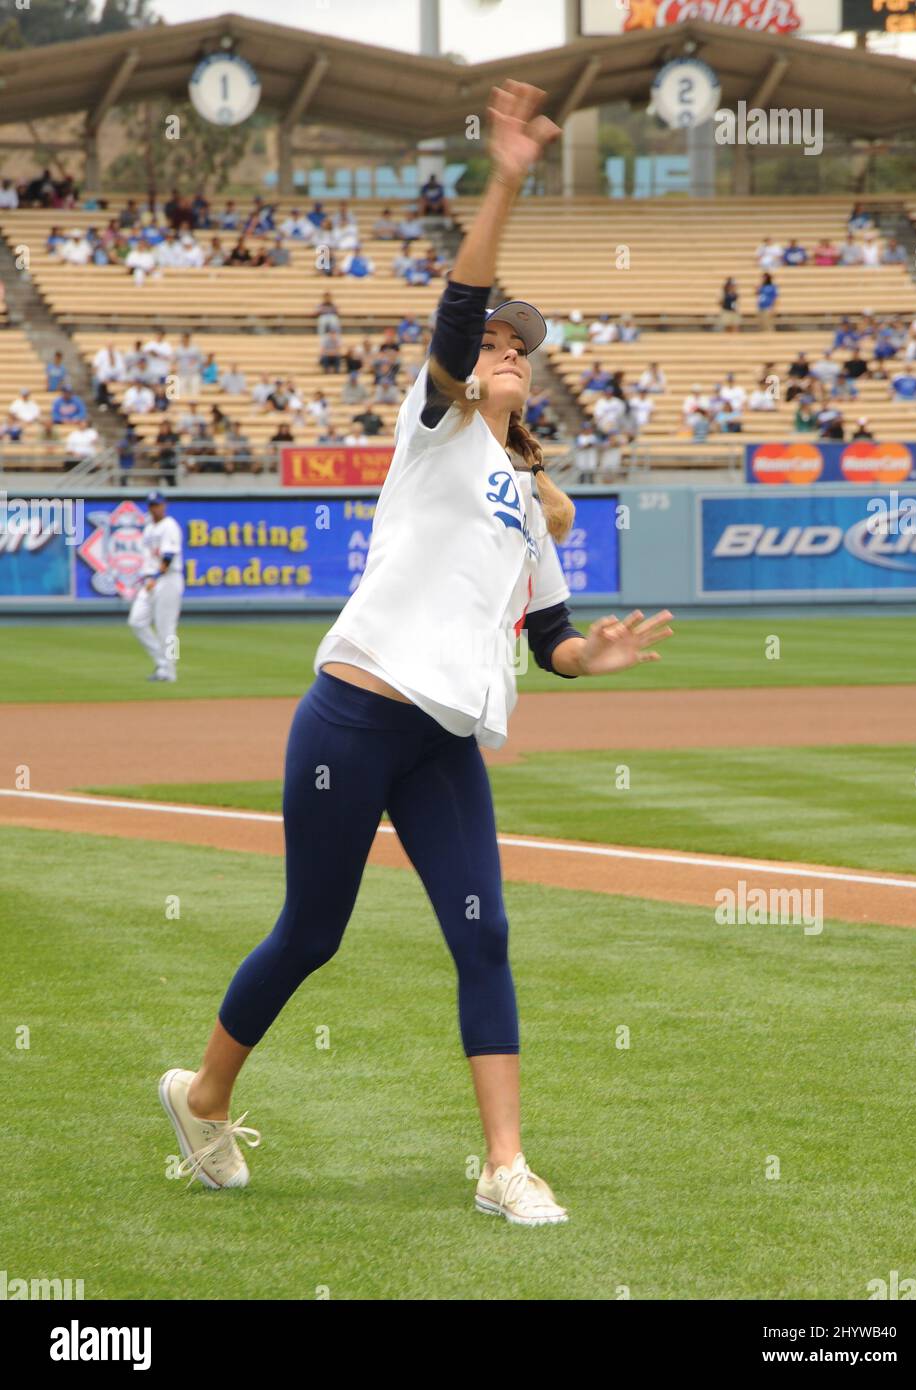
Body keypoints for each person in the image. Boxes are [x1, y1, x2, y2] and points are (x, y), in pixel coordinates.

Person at [157, 79, 674, 1223]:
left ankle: (502, 1166)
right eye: (490, 340)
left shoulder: (532, 506)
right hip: (352, 716)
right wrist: (504, 175)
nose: (501, 349)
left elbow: (549, 646)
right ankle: (202, 1096)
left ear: (533, 380)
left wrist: (598, 654)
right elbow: (457, 307)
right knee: (313, 931)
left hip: (444, 741)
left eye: (517, 349)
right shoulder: (433, 430)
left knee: (485, 938)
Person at [128, 491, 184, 682]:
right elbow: (147, 557)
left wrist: (156, 576)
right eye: (152, 505)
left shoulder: (170, 526)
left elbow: (168, 556)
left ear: (164, 505)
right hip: (151, 580)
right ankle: (162, 662)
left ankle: (170, 670)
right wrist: (146, 577)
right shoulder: (149, 528)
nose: (156, 508)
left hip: (169, 579)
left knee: (167, 629)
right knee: (136, 621)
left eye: (158, 504)